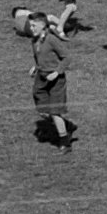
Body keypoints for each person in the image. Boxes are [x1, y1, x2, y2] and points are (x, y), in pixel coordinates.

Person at [28, 12, 73, 151]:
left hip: (55, 80)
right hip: (41, 78)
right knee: (43, 111)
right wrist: (35, 67)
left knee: (54, 112)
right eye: (30, 25)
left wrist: (56, 72)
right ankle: (64, 126)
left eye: (34, 25)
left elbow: (67, 58)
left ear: (42, 25)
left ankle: (65, 142)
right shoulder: (34, 40)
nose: (31, 28)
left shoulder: (52, 40)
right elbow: (39, 57)